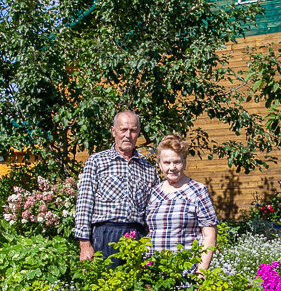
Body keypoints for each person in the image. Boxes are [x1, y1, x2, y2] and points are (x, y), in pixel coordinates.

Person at [74, 110, 158, 261]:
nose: (128, 135)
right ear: (114, 131)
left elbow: (154, 211)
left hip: (137, 236)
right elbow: (84, 204)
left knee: (138, 283)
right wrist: (84, 244)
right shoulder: (97, 162)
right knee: (104, 283)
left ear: (138, 133)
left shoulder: (148, 169)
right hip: (105, 236)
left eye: (133, 130)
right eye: (123, 130)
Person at [145, 134, 218, 271]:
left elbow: (209, 235)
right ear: (159, 164)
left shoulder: (197, 191)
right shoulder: (153, 193)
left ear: (184, 163)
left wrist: (201, 272)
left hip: (185, 273)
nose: (172, 167)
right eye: (167, 163)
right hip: (154, 273)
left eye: (177, 162)